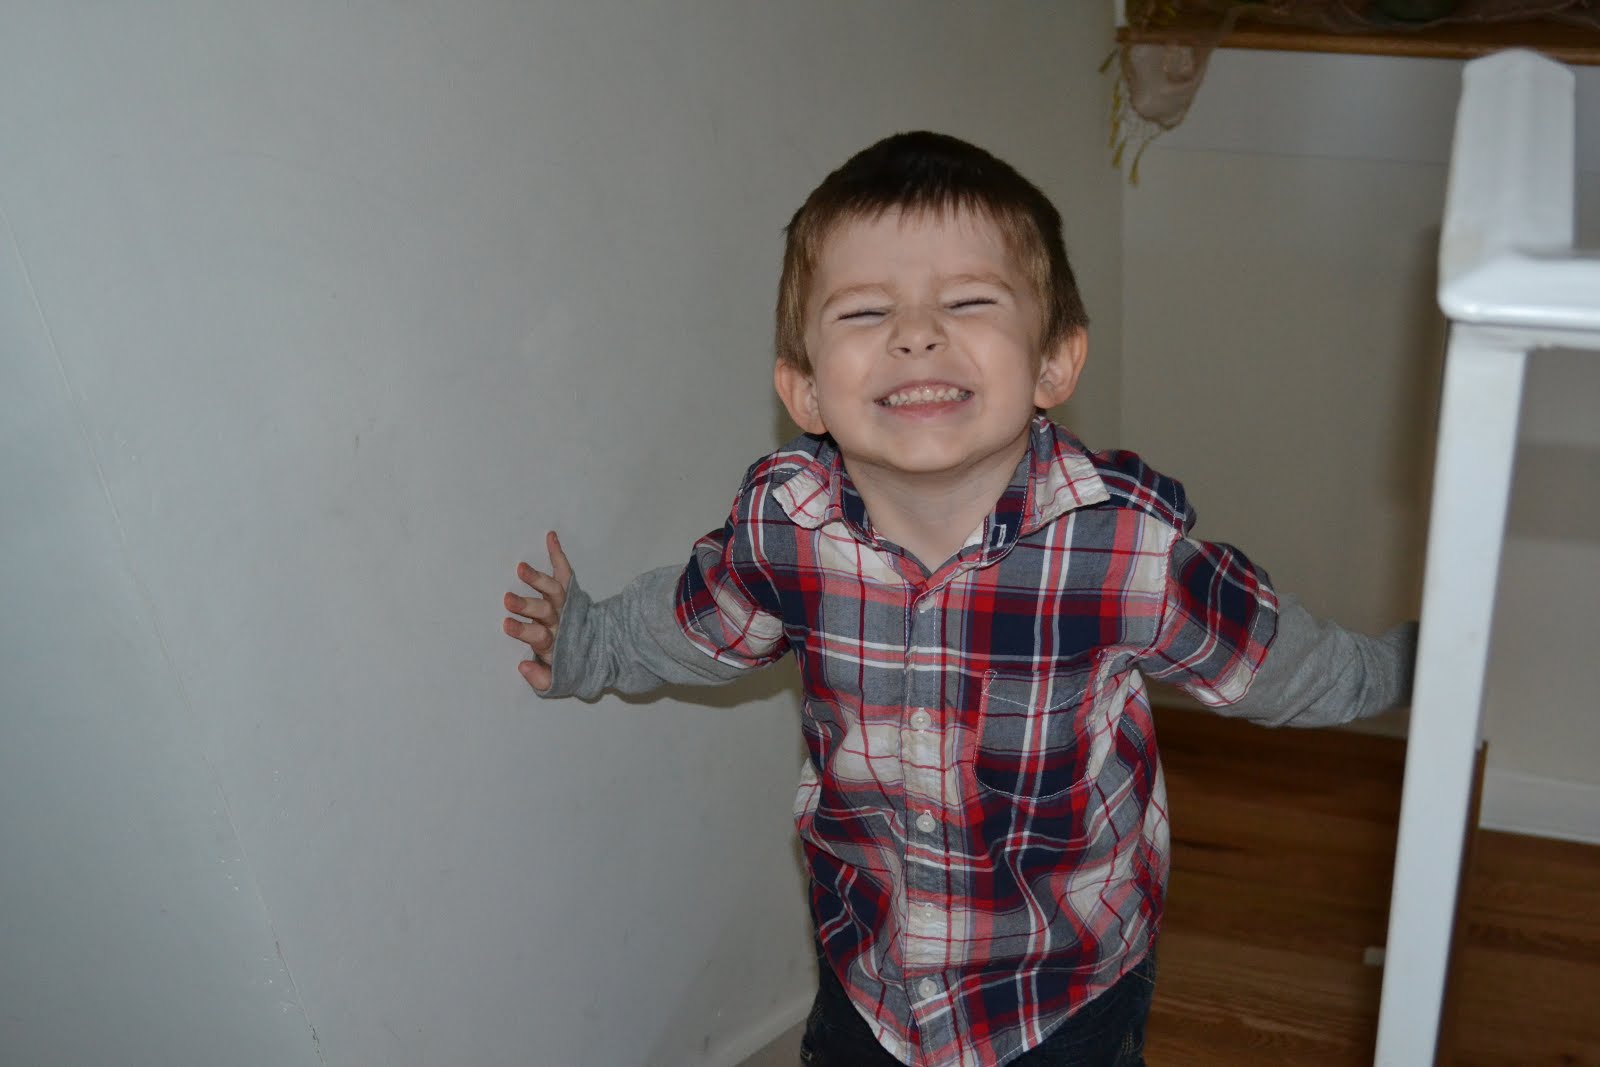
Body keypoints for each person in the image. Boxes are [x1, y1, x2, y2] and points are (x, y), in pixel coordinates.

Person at [501, 131, 1414, 1067]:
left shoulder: (1121, 549)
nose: (916, 331)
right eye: (866, 310)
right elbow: (695, 625)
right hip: (870, 969)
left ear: (1054, 363)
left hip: (1064, 986)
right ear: (805, 390)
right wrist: (587, 642)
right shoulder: (786, 529)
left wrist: (1421, 669)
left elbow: (1278, 661)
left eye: (968, 300)